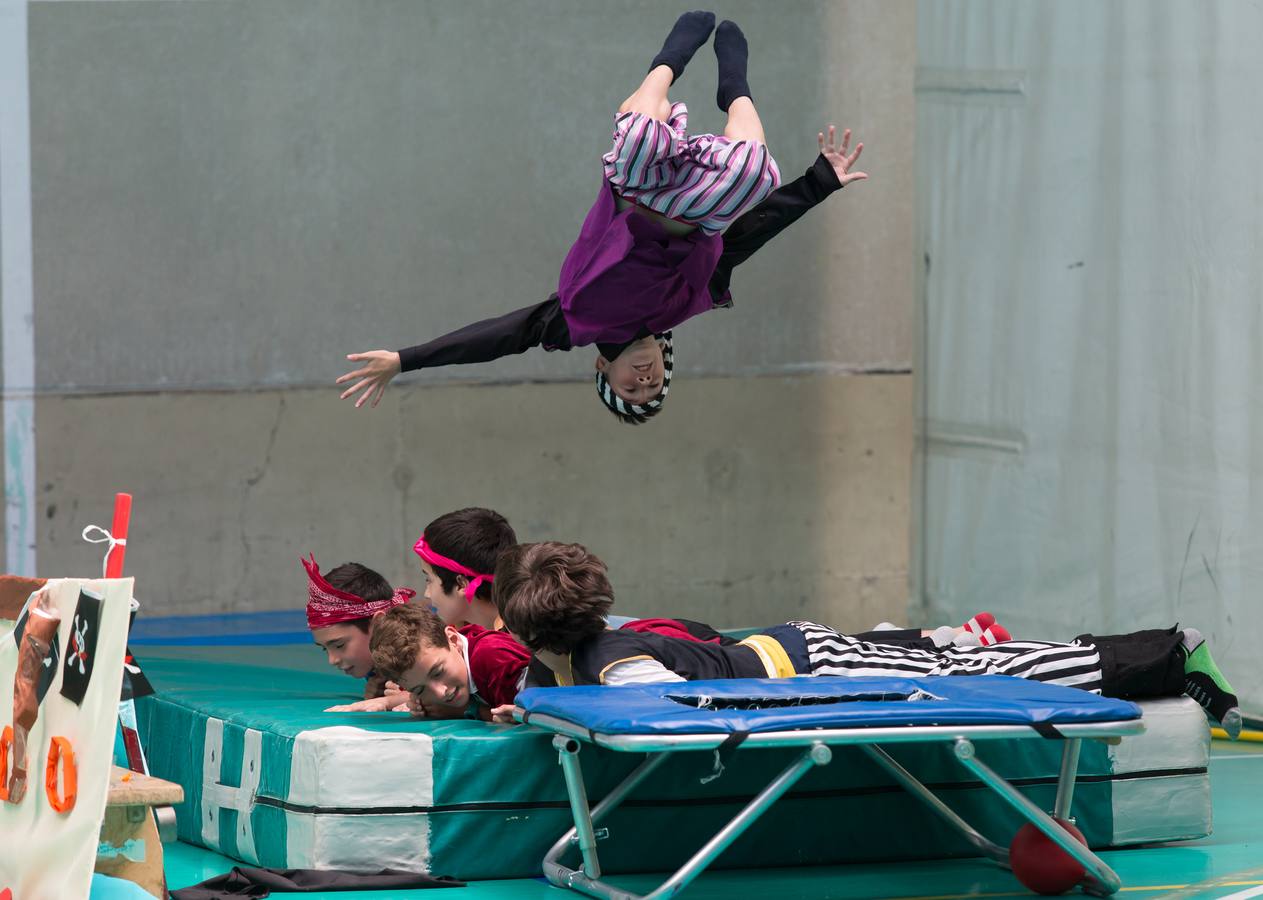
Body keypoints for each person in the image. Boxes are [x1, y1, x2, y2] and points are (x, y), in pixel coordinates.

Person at [337, 11, 868, 424]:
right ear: (665, 367)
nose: (645, 380)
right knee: (754, 172)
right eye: (654, 386)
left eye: (630, 389)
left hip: (633, 191)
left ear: (603, 370)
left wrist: (406, 360)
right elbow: (745, 237)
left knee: (638, 131)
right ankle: (734, 87)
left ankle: (669, 60)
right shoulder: (687, 302)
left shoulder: (573, 323)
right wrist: (819, 183)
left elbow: (496, 337)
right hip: (691, 209)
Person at [491, 541, 1244, 739]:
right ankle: (934, 637)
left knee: (979, 670)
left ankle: (1173, 652)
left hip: (813, 662)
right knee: (953, 657)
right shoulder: (571, 653)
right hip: (795, 652)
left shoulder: (614, 664)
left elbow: (663, 715)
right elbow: (544, 689)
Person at [302, 555, 415, 712]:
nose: (332, 660)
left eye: (339, 645)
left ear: (378, 623)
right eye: (324, 648)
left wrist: (404, 698)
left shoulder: (424, 652)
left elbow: (454, 691)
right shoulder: (382, 665)